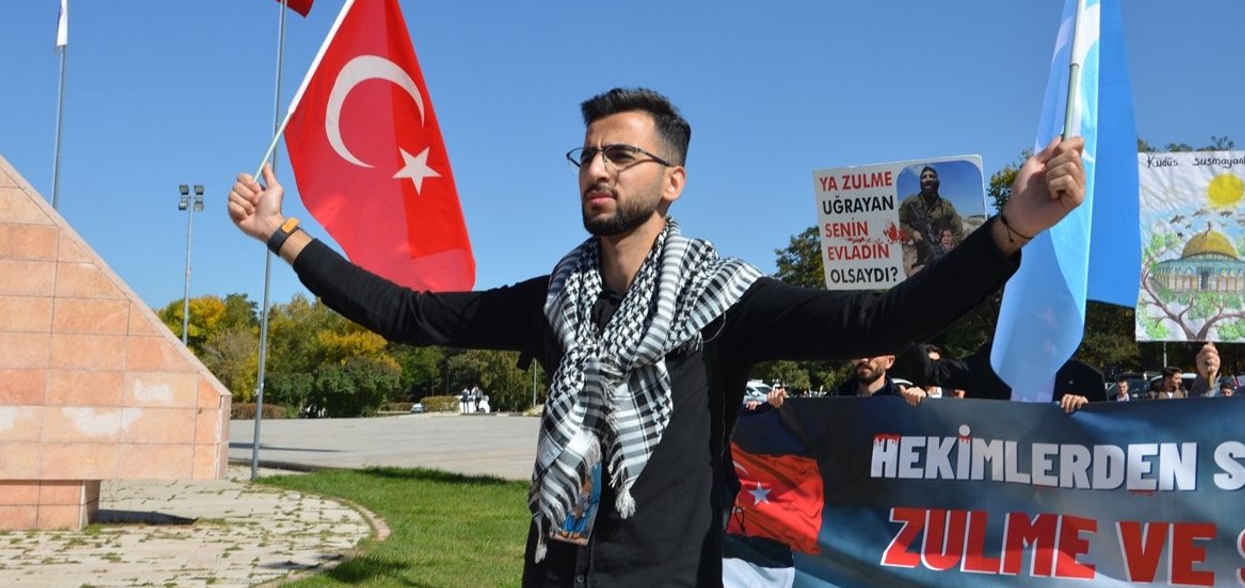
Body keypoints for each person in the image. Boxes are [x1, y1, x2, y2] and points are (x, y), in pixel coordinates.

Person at [228, 87, 1085, 587]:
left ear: (672, 181)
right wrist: (285, 235)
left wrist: (1009, 229)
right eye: (588, 155)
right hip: (553, 573)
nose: (596, 169)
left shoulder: (728, 301)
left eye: (621, 156)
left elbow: (882, 320)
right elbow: (410, 315)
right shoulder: (553, 299)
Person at [890, 341, 1102, 413]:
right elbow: (930, 371)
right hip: (995, 494)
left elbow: (1110, 441)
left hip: (1058, 503)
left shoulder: (1086, 379)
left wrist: (1088, 411)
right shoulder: (991, 363)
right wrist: (907, 316)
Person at [899, 165, 966, 274]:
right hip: (916, 256)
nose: (928, 179)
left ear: (937, 181)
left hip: (942, 255)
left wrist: (949, 244)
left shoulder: (946, 207)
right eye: (924, 177)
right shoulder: (911, 202)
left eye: (931, 176)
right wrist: (913, 233)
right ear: (920, 182)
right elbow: (898, 222)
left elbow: (958, 232)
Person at [827, 355, 928, 407]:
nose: (863, 359)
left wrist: (923, 405)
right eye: (857, 351)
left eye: (872, 352)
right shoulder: (833, 400)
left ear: (889, 361)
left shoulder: (902, 401)